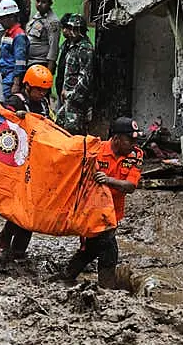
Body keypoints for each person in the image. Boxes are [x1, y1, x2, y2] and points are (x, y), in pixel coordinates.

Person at [60, 117, 143, 288]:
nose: (133, 145)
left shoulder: (135, 155)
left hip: (113, 212)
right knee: (107, 250)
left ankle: (68, 276)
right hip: (91, 211)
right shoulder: (94, 150)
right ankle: (107, 289)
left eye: (135, 140)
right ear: (117, 139)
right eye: (130, 140)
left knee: (92, 249)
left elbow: (131, 186)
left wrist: (108, 180)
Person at [0, 65, 53, 264]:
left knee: (32, 209)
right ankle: (4, 239)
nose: (41, 93)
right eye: (38, 89)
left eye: (44, 90)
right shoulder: (15, 101)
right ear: (28, 87)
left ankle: (19, 250)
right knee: (20, 208)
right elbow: (0, 124)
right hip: (18, 163)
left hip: (38, 163)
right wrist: (16, 119)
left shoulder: (44, 104)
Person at [56, 13, 94, 135]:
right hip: (66, 98)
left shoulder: (85, 48)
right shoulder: (70, 46)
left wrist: (71, 95)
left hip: (77, 101)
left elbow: (86, 77)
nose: (71, 32)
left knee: (73, 133)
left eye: (75, 29)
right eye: (70, 28)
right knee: (59, 128)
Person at [0, 0, 29, 99]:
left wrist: (16, 84)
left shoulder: (19, 36)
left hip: (10, 79)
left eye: (2, 18)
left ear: (11, 17)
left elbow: (20, 62)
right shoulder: (7, 33)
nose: (0, 21)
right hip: (3, 75)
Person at [26, 0, 60, 73]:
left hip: (41, 64)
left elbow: (53, 48)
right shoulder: (37, 16)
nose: (39, 4)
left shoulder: (52, 21)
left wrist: (48, 73)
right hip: (29, 62)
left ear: (50, 4)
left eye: (43, 2)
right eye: (37, 1)